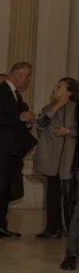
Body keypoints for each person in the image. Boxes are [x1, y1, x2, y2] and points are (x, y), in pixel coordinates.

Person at [0, 62, 36, 238]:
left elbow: (13, 121)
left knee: (4, 189)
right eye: (27, 75)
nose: (28, 80)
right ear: (17, 73)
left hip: (9, 151)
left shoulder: (15, 95)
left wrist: (26, 120)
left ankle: (0, 225)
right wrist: (18, 117)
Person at [33, 78, 79, 239]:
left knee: (69, 198)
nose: (55, 89)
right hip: (52, 160)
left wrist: (70, 132)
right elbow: (39, 124)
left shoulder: (76, 109)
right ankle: (52, 228)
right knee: (52, 195)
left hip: (69, 160)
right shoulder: (48, 108)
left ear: (69, 92)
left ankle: (69, 230)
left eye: (59, 87)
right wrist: (57, 107)